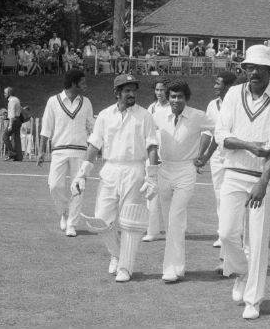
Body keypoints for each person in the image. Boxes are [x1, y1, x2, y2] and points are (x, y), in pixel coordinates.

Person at [215, 44, 270, 319]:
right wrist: (249, 145)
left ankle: (253, 299)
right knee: (226, 234)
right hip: (234, 173)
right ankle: (241, 271)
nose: (254, 72)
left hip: (263, 179)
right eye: (249, 67)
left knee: (258, 240)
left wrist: (263, 181)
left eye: (260, 68)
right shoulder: (234, 94)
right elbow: (220, 135)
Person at [71, 74, 158, 283]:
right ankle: (117, 254)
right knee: (101, 218)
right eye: (126, 90)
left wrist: (152, 176)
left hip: (135, 169)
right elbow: (94, 145)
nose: (131, 94)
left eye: (133, 90)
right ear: (117, 93)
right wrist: (81, 173)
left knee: (129, 222)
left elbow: (152, 146)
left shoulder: (144, 115)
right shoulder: (104, 115)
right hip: (110, 168)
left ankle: (125, 268)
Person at [152, 79, 215, 283]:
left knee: (175, 217)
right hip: (164, 169)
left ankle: (171, 268)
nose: (176, 100)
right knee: (171, 221)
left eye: (180, 97)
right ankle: (178, 266)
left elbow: (220, 133)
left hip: (186, 170)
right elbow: (146, 137)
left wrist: (204, 157)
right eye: (172, 96)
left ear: (186, 98)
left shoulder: (197, 116)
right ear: (167, 97)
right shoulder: (158, 115)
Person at [37, 69, 95, 237]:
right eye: (82, 82)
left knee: (78, 188)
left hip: (80, 152)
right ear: (73, 83)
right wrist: (41, 151)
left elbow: (92, 127)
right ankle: (64, 212)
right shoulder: (53, 101)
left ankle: (72, 224)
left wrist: (98, 143)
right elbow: (46, 128)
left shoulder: (86, 102)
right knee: (54, 186)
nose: (85, 85)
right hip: (59, 151)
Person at [203, 72, 237, 258]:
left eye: (219, 83)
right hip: (216, 157)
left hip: (234, 156)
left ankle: (235, 234)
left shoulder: (238, 104)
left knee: (234, 196)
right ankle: (223, 233)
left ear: (229, 86)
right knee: (219, 196)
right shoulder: (212, 105)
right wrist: (202, 155)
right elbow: (210, 133)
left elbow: (223, 134)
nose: (215, 86)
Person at [143, 78, 171, 242]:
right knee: (151, 194)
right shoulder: (151, 108)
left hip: (168, 156)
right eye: (157, 90)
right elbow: (148, 132)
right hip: (152, 155)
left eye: (162, 90)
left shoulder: (173, 106)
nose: (159, 93)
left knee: (167, 195)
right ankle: (152, 231)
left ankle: (170, 230)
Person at [3, 87, 23, 161]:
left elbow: (11, 114)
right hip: (18, 120)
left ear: (9, 93)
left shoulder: (11, 101)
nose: (4, 94)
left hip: (14, 121)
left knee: (5, 135)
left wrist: (10, 125)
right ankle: (19, 157)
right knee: (16, 138)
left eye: (5, 93)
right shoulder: (17, 99)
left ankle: (11, 153)